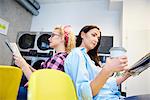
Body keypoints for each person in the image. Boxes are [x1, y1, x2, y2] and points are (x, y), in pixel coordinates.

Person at [64, 25, 131, 100]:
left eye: (98, 38)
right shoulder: (77, 54)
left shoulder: (89, 60)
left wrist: (127, 75)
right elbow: (84, 94)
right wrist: (107, 69)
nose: (96, 40)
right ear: (83, 35)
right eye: (93, 35)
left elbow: (106, 84)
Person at [13, 25, 75, 99]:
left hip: (39, 94)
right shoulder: (62, 57)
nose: (49, 38)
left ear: (62, 38)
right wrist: (25, 64)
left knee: (13, 89)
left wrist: (23, 66)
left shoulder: (59, 59)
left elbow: (42, 86)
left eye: (52, 35)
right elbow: (41, 75)